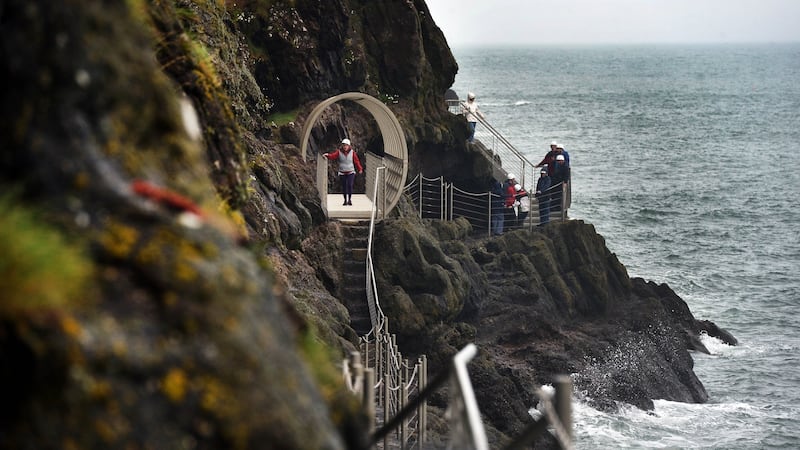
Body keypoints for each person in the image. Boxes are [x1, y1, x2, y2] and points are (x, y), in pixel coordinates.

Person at [323, 138, 363, 206]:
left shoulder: (352, 152)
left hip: (351, 172)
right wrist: (327, 155)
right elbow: (333, 156)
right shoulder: (339, 152)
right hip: (342, 172)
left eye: (346, 145)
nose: (345, 147)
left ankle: (349, 199)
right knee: (344, 187)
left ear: (349, 146)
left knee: (350, 185)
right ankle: (345, 200)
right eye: (344, 145)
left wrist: (360, 168)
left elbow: (356, 161)